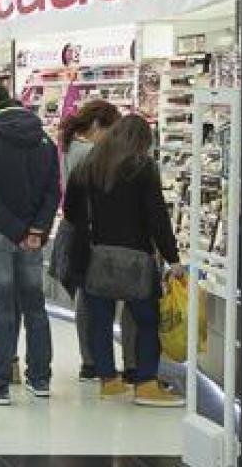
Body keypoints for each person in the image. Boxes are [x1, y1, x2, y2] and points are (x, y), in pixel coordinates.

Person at [63, 115, 186, 407]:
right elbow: (157, 216)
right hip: (136, 258)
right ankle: (145, 384)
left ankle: (108, 381)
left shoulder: (88, 166)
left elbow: (70, 210)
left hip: (97, 255)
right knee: (147, 321)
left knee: (100, 321)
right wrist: (172, 257)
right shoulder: (142, 168)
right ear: (142, 141)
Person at [0, 76, 61, 405]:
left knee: (0, 310)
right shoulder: (42, 138)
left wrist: (13, 230)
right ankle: (40, 378)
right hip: (32, 238)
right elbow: (53, 190)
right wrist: (36, 230)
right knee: (35, 307)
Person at [56, 99, 124, 382]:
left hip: (75, 229)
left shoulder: (70, 146)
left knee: (86, 295)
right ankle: (94, 361)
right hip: (92, 231)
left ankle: (91, 360)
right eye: (110, 131)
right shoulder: (88, 153)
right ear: (97, 125)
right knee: (93, 296)